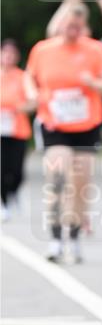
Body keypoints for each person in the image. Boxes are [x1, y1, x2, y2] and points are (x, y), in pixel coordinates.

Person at [24, 4, 102, 262]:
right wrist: (33, 94)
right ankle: (55, 239)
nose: (72, 31)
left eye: (77, 27)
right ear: (60, 24)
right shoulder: (43, 50)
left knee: (80, 184)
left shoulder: (95, 51)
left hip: (86, 126)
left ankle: (74, 236)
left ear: (83, 27)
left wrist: (94, 84)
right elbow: (29, 78)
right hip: (54, 125)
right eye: (68, 26)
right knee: (56, 177)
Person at [1, 40, 34, 221]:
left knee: (17, 170)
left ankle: (13, 192)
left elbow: (33, 101)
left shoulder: (23, 77)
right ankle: (4, 203)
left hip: (18, 129)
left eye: (12, 54)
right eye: (5, 53)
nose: (8, 57)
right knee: (1, 168)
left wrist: (21, 108)